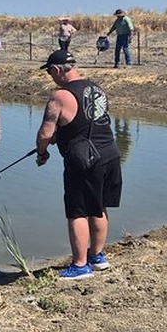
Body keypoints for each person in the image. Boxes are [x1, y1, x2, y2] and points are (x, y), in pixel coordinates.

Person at [35, 49, 122, 280]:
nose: (52, 78)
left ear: (56, 70)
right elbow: (89, 120)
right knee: (99, 206)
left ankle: (80, 265)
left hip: (85, 161)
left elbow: (45, 133)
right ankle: (97, 257)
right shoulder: (97, 88)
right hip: (111, 154)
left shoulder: (59, 97)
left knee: (77, 212)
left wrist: (42, 153)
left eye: (50, 73)